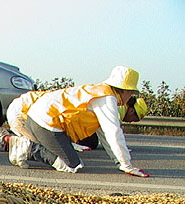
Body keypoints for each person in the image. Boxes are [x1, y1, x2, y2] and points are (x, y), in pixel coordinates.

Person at [8, 65, 150, 177]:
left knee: (67, 158)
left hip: (39, 117)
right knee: (71, 165)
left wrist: (120, 163)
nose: (130, 97)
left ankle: (27, 147)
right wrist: (127, 165)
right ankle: (27, 147)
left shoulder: (100, 92)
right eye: (131, 92)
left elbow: (104, 135)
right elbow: (113, 132)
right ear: (124, 90)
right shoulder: (106, 98)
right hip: (46, 122)